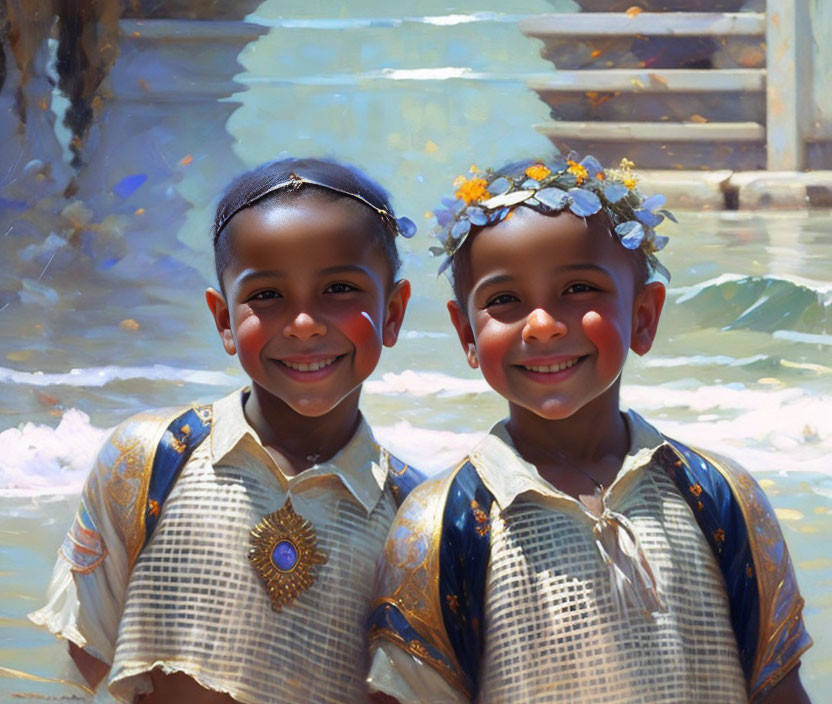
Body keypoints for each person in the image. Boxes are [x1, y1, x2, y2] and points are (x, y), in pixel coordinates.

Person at [366, 155, 812, 704]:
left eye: (578, 289)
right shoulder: (442, 523)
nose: (544, 324)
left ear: (644, 316)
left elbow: (778, 688)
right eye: (504, 300)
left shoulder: (720, 496)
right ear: (467, 334)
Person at [29, 157, 424, 703]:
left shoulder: (415, 521)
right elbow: (71, 674)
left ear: (393, 312)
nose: (304, 322)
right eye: (266, 295)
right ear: (223, 320)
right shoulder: (147, 461)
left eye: (339, 288)